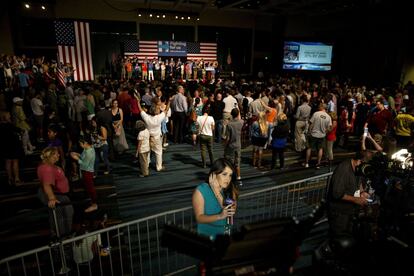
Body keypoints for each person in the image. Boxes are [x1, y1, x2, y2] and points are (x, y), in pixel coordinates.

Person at [192, 158, 238, 239]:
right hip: (207, 238)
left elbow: (230, 211)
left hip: (225, 236)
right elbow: (199, 218)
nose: (228, 179)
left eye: (230, 175)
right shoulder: (201, 190)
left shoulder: (230, 190)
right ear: (214, 174)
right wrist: (219, 216)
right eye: (224, 174)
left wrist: (215, 191)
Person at [327, 151, 370, 239]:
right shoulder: (343, 169)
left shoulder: (358, 168)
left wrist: (362, 192)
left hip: (350, 211)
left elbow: (359, 182)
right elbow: (336, 193)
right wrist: (356, 200)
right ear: (359, 161)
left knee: (348, 235)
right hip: (339, 213)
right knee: (338, 237)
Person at [37, 147, 74, 238]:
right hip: (56, 195)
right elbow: (47, 184)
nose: (58, 155)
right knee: (62, 214)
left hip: (59, 193)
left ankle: (60, 234)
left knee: (59, 214)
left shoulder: (50, 165)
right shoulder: (47, 168)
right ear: (50, 155)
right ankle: (63, 237)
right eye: (56, 153)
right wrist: (52, 198)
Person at [71, 135, 97, 213]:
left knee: (90, 188)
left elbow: (84, 165)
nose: (80, 145)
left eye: (80, 144)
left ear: (85, 143)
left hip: (87, 172)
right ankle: (91, 201)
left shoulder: (89, 152)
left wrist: (77, 159)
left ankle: (94, 204)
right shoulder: (88, 148)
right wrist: (78, 155)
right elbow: (84, 156)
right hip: (86, 172)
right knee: (88, 187)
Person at [0, 111, 24, 186]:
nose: (10, 116)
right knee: (15, 162)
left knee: (8, 162)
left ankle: (10, 178)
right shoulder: (9, 125)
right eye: (8, 115)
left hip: (4, 146)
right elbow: (19, 130)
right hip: (13, 145)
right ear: (5, 117)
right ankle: (17, 179)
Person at [224, 108, 244, 181]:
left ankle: (230, 178)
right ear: (238, 114)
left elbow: (228, 138)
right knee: (237, 162)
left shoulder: (229, 124)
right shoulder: (241, 122)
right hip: (238, 145)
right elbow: (240, 118)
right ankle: (238, 177)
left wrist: (225, 146)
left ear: (231, 115)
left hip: (231, 145)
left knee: (230, 161)